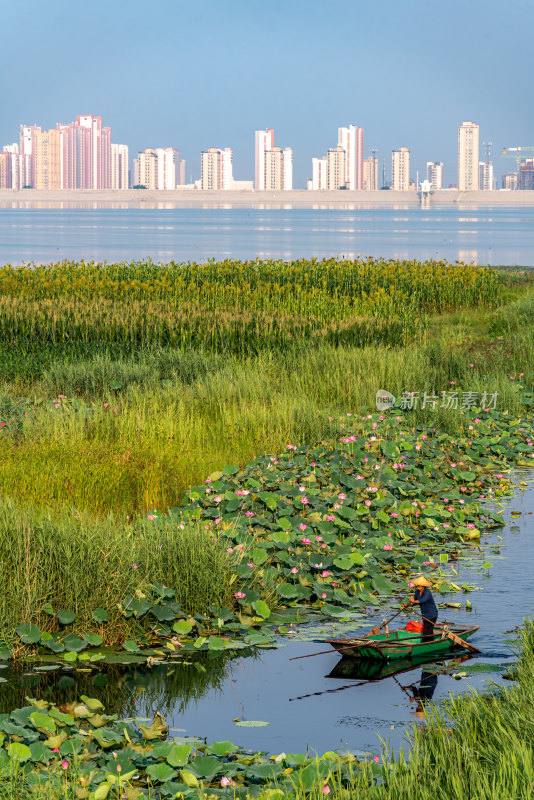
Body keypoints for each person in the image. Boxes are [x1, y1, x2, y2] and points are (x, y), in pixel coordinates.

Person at [409, 575, 438, 642]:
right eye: (417, 585)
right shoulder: (417, 592)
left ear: (423, 586)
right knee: (427, 631)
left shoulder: (427, 592)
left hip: (432, 614)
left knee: (427, 631)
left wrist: (414, 601)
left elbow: (422, 600)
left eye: (419, 585)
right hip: (425, 615)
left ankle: (426, 643)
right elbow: (416, 602)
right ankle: (430, 642)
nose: (417, 586)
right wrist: (410, 604)